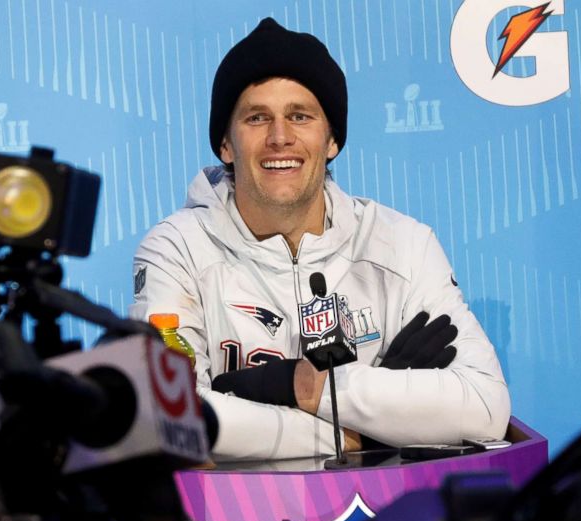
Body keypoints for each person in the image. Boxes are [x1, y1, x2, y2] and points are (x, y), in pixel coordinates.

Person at [131, 18, 509, 461]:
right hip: (230, 519)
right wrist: (358, 432)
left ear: (331, 140)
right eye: (256, 118)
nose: (279, 138)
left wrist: (308, 388)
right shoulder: (176, 248)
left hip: (382, 519)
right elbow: (171, 417)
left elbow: (486, 407)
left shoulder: (403, 244)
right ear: (225, 145)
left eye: (300, 116)